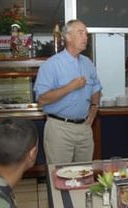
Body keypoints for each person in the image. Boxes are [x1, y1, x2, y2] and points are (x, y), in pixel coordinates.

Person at [34, 19, 102, 164]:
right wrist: (69, 87)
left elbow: (96, 87)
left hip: (84, 128)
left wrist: (94, 109)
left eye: (86, 34)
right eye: (81, 33)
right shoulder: (50, 65)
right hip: (59, 129)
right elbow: (42, 99)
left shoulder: (88, 63)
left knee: (84, 174)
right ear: (68, 37)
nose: (85, 37)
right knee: (59, 175)